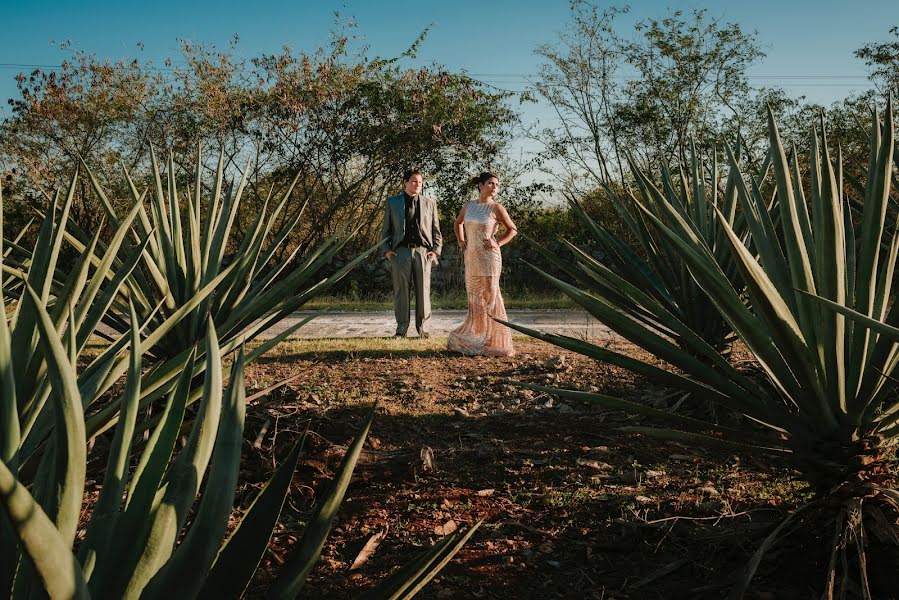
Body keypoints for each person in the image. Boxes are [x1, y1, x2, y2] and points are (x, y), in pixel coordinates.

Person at [447, 172, 517, 357]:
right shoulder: (469, 205)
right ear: (480, 185)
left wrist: (498, 243)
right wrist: (461, 241)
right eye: (491, 183)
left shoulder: (496, 208)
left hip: (489, 258)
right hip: (471, 257)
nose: (494, 187)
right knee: (475, 297)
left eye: (497, 184)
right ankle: (476, 336)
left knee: (490, 296)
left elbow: (513, 230)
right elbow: (458, 223)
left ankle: (493, 340)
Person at [381, 168, 443, 338]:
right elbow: (386, 230)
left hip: (423, 253)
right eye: (414, 181)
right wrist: (387, 250)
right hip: (399, 253)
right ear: (405, 182)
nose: (418, 185)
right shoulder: (392, 202)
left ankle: (423, 329)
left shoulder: (430, 203)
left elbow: (436, 230)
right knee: (401, 292)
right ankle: (401, 330)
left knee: (423, 292)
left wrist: (435, 251)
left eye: (421, 182)